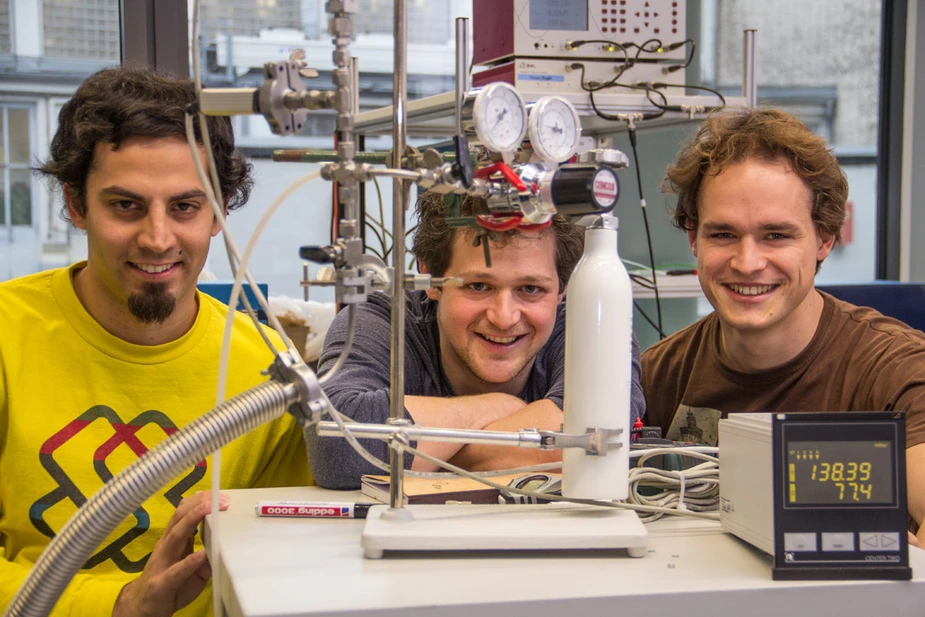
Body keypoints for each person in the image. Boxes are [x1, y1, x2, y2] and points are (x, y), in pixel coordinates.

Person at [0, 67, 312, 617]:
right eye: (126, 205)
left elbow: (293, 557)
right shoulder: (7, 336)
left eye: (185, 207)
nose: (158, 238)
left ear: (219, 211)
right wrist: (121, 605)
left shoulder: (270, 372)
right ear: (75, 204)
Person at [641, 107, 925, 543]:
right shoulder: (658, 374)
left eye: (776, 235)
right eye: (723, 235)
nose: (747, 262)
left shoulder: (897, 370)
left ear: (825, 239)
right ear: (693, 240)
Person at [308, 191, 646, 489]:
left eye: (531, 289)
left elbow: (588, 444)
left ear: (563, 287)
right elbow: (337, 449)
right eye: (478, 286)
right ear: (429, 278)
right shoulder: (382, 322)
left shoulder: (594, 324)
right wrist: (498, 406)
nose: (504, 317)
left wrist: (417, 452)